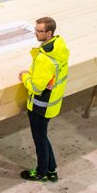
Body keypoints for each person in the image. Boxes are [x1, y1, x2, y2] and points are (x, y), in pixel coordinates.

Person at [18, 16, 69, 182]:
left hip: (40, 107)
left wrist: (25, 76)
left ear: (49, 33)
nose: (36, 34)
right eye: (36, 30)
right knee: (43, 137)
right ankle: (51, 169)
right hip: (52, 103)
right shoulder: (58, 48)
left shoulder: (44, 59)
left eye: (39, 31)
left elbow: (36, 87)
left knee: (39, 141)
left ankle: (41, 172)